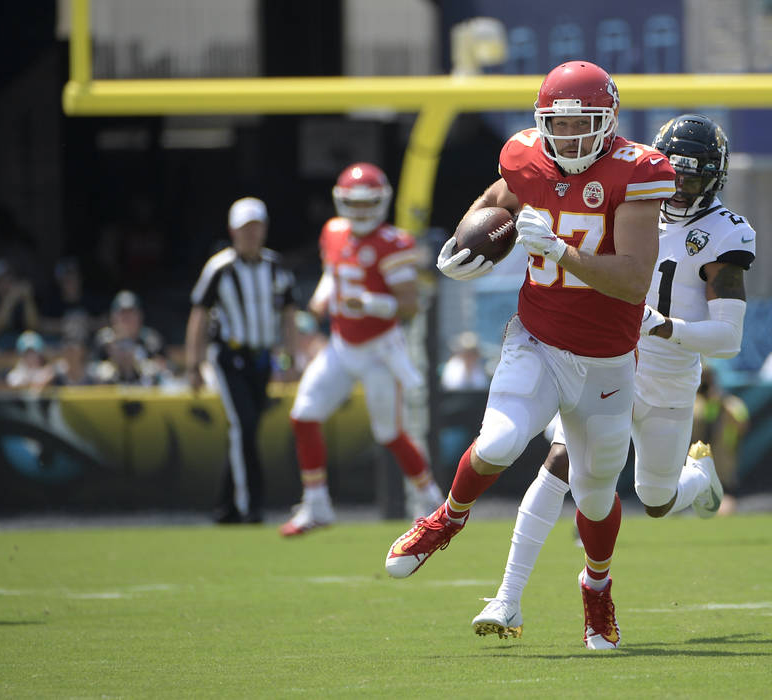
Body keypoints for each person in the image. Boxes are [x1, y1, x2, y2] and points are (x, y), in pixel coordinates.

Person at [384, 60, 676, 651]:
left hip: (608, 361)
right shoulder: (524, 155)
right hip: (537, 340)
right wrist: (467, 238)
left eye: (581, 125)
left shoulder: (638, 170)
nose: (566, 138)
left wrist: (562, 253)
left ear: (609, 120)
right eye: (556, 125)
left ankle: (597, 589)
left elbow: (634, 280)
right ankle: (448, 518)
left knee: (595, 493)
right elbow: (495, 199)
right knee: (496, 442)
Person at [471, 114, 755, 641]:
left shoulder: (722, 233)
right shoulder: (623, 194)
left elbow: (729, 339)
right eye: (674, 175)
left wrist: (664, 327)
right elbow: (509, 196)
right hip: (602, 356)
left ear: (714, 179)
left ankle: (699, 478)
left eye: (692, 179)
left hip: (667, 379)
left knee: (656, 499)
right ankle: (506, 598)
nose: (679, 188)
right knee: (558, 463)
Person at [278, 162, 442, 535]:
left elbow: (410, 305)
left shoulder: (393, 243)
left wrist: (367, 303)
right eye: (356, 203)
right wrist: (322, 298)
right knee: (303, 415)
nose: (363, 211)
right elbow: (333, 273)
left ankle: (432, 502)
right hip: (341, 343)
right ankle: (317, 505)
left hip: (379, 349)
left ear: (382, 202)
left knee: (389, 433)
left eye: (370, 203)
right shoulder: (333, 232)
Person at [185, 197, 299, 525]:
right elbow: (199, 315)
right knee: (244, 425)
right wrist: (193, 365)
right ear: (233, 230)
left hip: (261, 359)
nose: (252, 234)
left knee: (245, 430)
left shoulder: (275, 267)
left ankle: (225, 507)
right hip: (227, 356)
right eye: (245, 228)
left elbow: (290, 314)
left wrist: (291, 358)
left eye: (257, 227)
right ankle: (250, 506)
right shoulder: (219, 268)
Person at [0, 258, 41, 349]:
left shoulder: (20, 299)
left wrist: (28, 299)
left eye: (9, 279)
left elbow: (33, 326)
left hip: (20, 346)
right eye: (2, 280)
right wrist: (10, 299)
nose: (6, 283)